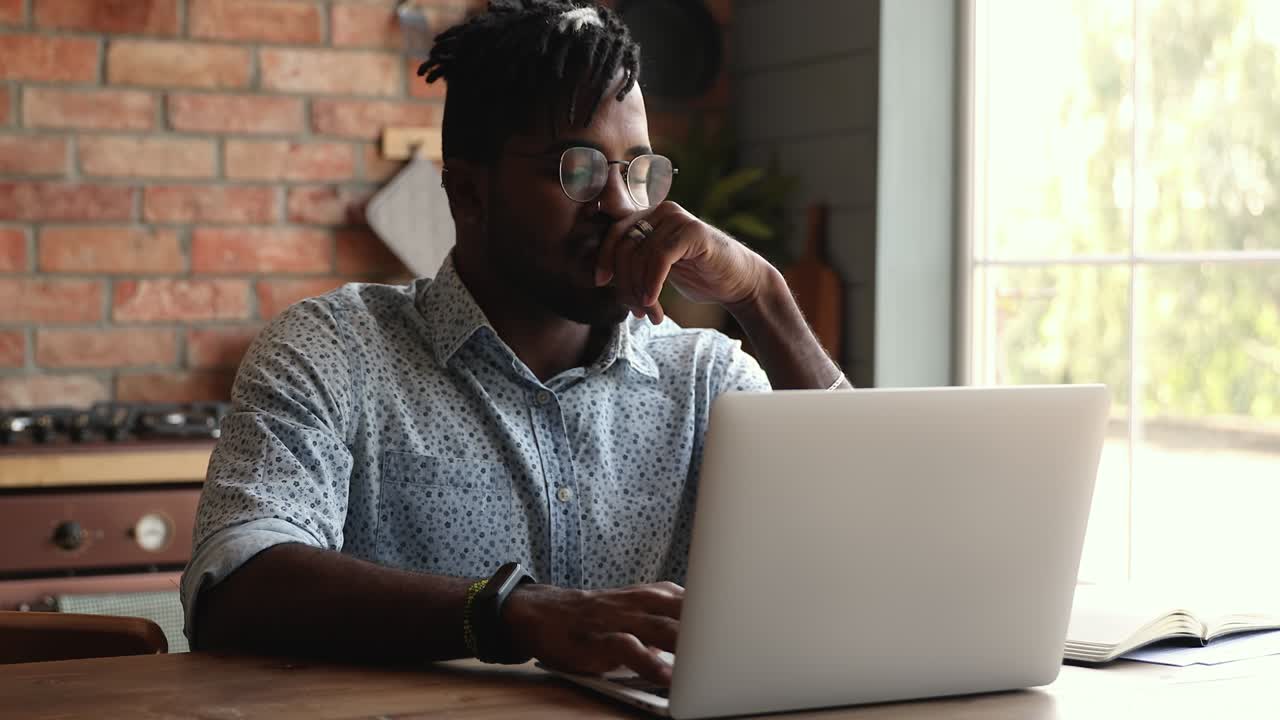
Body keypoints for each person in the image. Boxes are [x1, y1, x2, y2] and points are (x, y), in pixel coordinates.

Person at [181, 0, 848, 687]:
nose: (622, 205)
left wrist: (761, 296)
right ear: (469, 193)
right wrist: (511, 614)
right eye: (578, 170)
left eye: (638, 170)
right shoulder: (334, 351)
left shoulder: (705, 379)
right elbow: (236, 586)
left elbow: (865, 539)